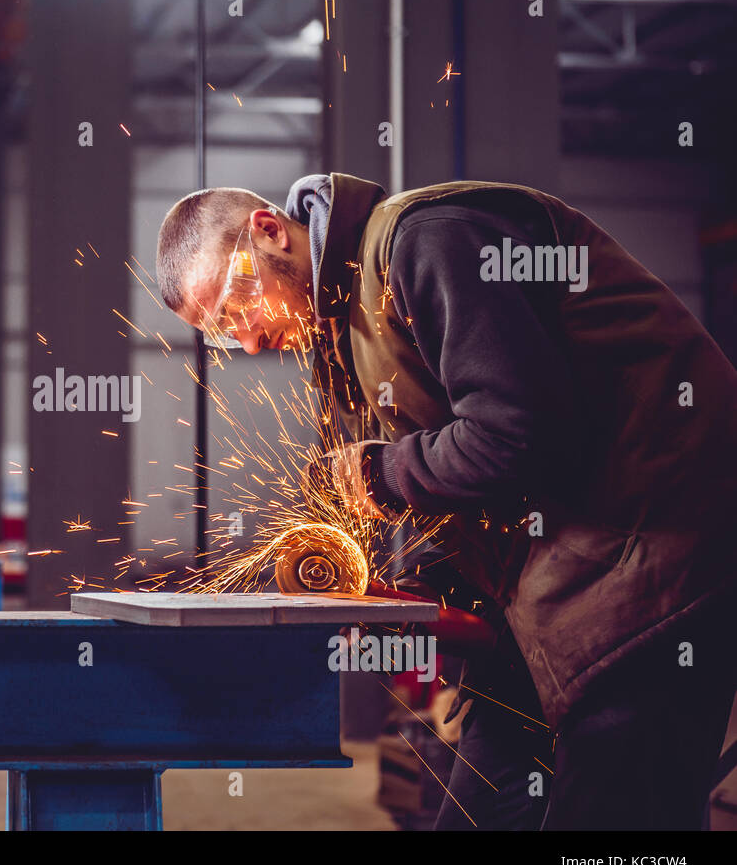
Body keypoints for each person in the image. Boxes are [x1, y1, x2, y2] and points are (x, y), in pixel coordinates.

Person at [155, 173, 737, 829]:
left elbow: (519, 432)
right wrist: (430, 587)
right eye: (226, 334)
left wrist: (379, 473)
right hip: (562, 587)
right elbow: (478, 481)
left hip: (658, 571)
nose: (251, 341)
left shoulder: (425, 241)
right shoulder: (346, 328)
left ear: (268, 230)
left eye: (237, 306)